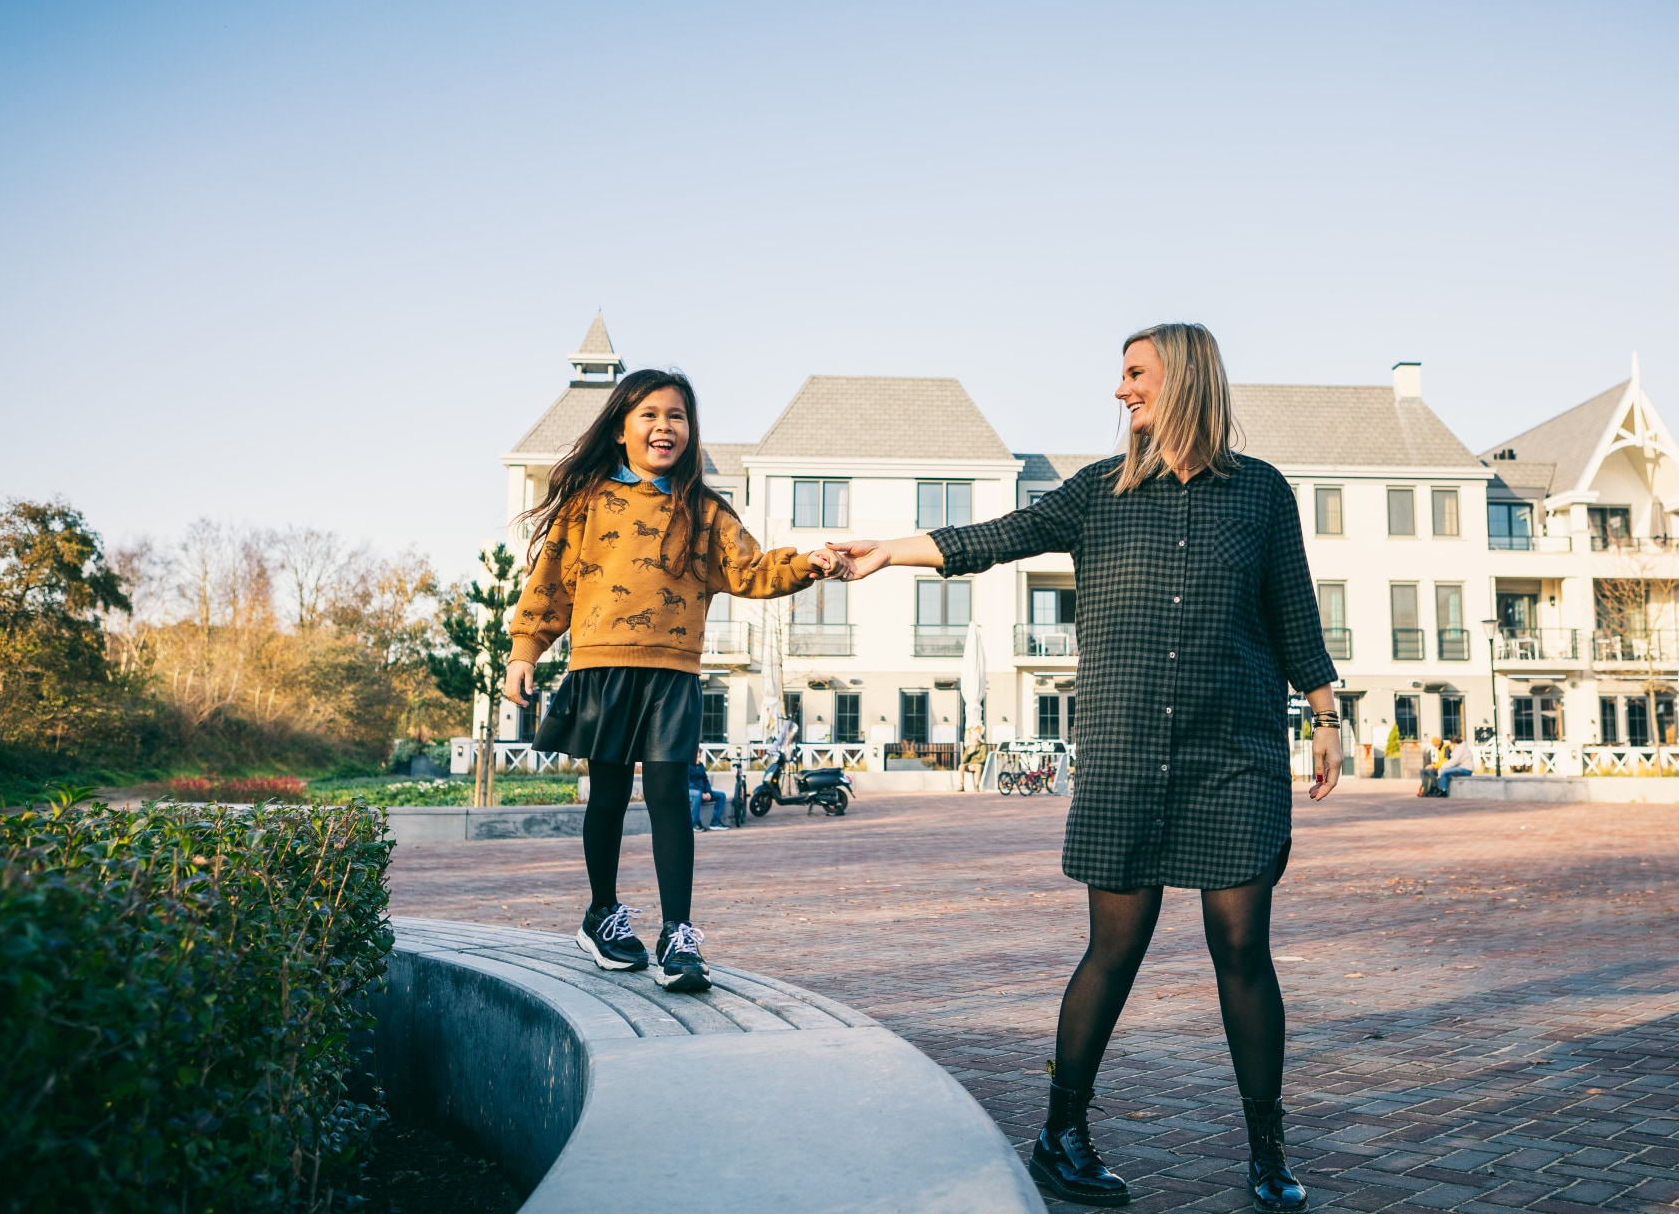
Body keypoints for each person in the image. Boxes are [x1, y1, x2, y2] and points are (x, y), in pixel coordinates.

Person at [830, 323, 1337, 1213]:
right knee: (1115, 947)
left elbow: (1293, 610)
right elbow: (996, 535)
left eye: (1135, 374)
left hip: (1236, 754)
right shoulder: (1097, 492)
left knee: (1242, 948)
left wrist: (1326, 713)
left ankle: (1267, 1150)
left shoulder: (1260, 494)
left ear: (1181, 378)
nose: (1120, 391)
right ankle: (1061, 1134)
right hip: (1128, 757)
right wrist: (888, 552)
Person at [502, 368, 838, 991]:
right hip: (602, 666)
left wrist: (808, 564)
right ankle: (602, 913)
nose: (665, 426)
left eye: (677, 415)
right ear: (622, 427)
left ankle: (678, 935)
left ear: (691, 430)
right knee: (606, 796)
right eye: (650, 414)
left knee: (669, 802)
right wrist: (526, 650)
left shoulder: (704, 511)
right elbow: (550, 582)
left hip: (673, 674)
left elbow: (752, 571)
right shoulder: (588, 503)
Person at [688, 761, 729, 831]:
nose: (698, 758)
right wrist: (702, 793)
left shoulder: (700, 765)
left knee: (721, 795)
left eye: (699, 755)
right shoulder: (687, 766)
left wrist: (708, 792)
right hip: (690, 790)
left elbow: (705, 780)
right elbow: (688, 782)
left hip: (702, 791)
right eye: (697, 756)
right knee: (697, 794)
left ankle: (715, 822)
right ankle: (694, 823)